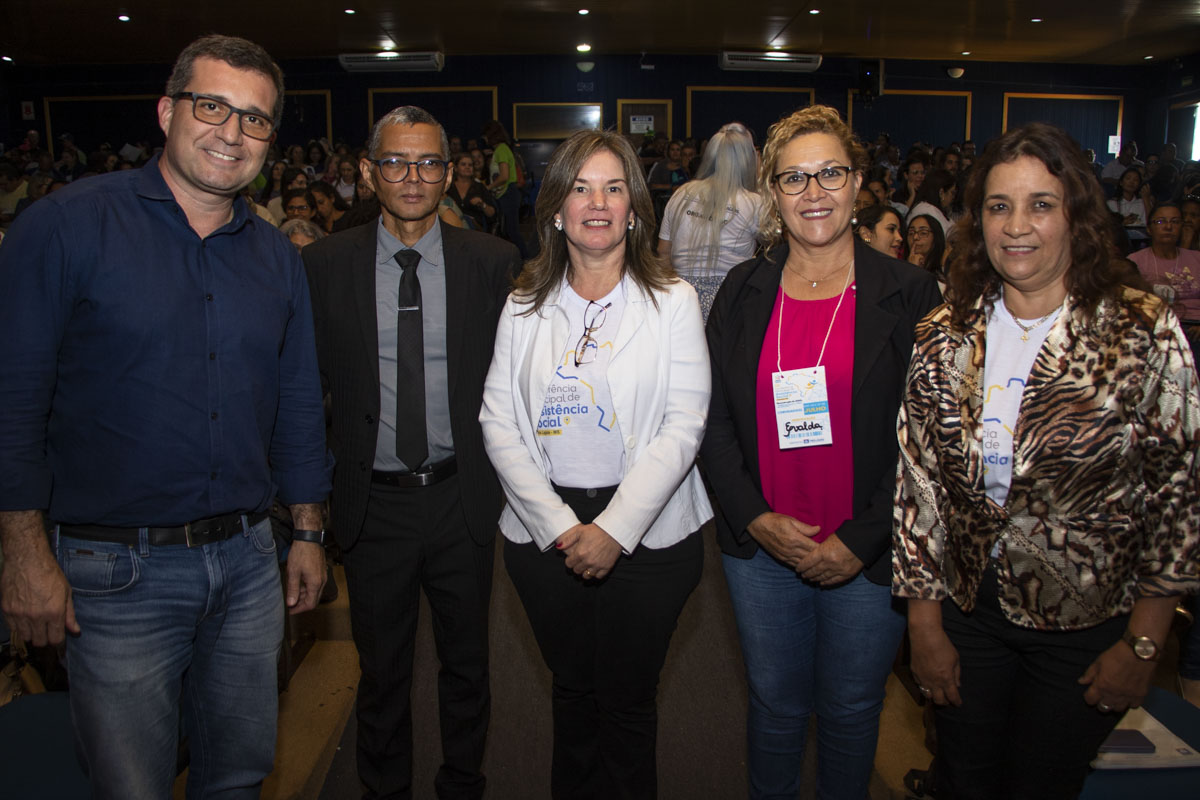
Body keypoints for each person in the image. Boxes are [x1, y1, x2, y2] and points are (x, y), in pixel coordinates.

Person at [0, 34, 333, 798]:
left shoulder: (277, 258)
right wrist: (21, 552)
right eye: (212, 106)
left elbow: (295, 406)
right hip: (114, 576)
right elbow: (13, 401)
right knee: (133, 785)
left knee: (240, 775)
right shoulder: (65, 229)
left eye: (255, 120)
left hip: (250, 564)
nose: (232, 132)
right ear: (166, 111)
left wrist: (309, 532)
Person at [893, 121, 1200, 800]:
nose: (1016, 226)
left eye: (1041, 204)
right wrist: (923, 626)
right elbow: (918, 492)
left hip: (1088, 625)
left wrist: (1144, 645)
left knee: (1042, 785)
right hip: (969, 615)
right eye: (999, 206)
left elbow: (1179, 497)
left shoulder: (1142, 331)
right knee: (962, 779)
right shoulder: (946, 334)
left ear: (1077, 216)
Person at [701, 105, 940, 800]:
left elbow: (926, 439)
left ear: (858, 181)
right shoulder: (742, 293)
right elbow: (710, 420)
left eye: (830, 173)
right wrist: (752, 517)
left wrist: (862, 538)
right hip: (763, 549)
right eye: (794, 178)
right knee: (775, 709)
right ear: (772, 192)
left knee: (850, 711)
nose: (814, 192)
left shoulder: (912, 294)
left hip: (867, 551)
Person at [479, 129, 712, 799]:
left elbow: (685, 422)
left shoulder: (674, 301)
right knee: (571, 693)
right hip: (544, 528)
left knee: (630, 702)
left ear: (635, 208)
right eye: (580, 188)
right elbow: (497, 420)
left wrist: (614, 528)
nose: (598, 203)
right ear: (555, 209)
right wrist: (558, 524)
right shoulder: (523, 303)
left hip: (650, 530)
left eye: (614, 187)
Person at [303, 105, 521, 800]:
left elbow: (514, 382)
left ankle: (463, 784)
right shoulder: (324, 265)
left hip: (462, 499)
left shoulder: (492, 261)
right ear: (369, 171)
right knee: (382, 670)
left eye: (428, 162)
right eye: (395, 161)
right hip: (374, 506)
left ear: (450, 171)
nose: (412, 176)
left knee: (467, 666)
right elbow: (307, 393)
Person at [657, 121, 762, 319]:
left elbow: (663, 252)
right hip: (730, 300)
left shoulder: (682, 194)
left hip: (681, 298)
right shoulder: (754, 203)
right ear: (748, 161)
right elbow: (777, 247)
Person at [1131, 202, 1200, 334]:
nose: (1168, 227)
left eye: (1175, 222)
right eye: (1160, 222)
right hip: (1157, 328)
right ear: (1149, 229)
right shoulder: (1135, 261)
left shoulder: (1197, 258)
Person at [482, 119, 529, 258]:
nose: (484, 139)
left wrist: (488, 187)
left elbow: (504, 176)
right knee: (508, 229)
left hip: (508, 193)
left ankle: (527, 260)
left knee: (511, 230)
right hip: (507, 193)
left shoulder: (502, 149)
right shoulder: (502, 149)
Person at [447, 151, 497, 232]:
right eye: (463, 164)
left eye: (470, 165)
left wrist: (482, 205)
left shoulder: (480, 187)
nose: (467, 167)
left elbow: (492, 214)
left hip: (475, 231)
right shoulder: (448, 187)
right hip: (452, 229)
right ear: (455, 168)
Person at [1107, 166, 1152, 249]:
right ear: (1121, 182)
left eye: (1135, 180)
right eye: (1128, 178)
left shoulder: (1143, 202)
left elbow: (1151, 223)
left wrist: (1146, 199)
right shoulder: (1112, 203)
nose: (1131, 182)